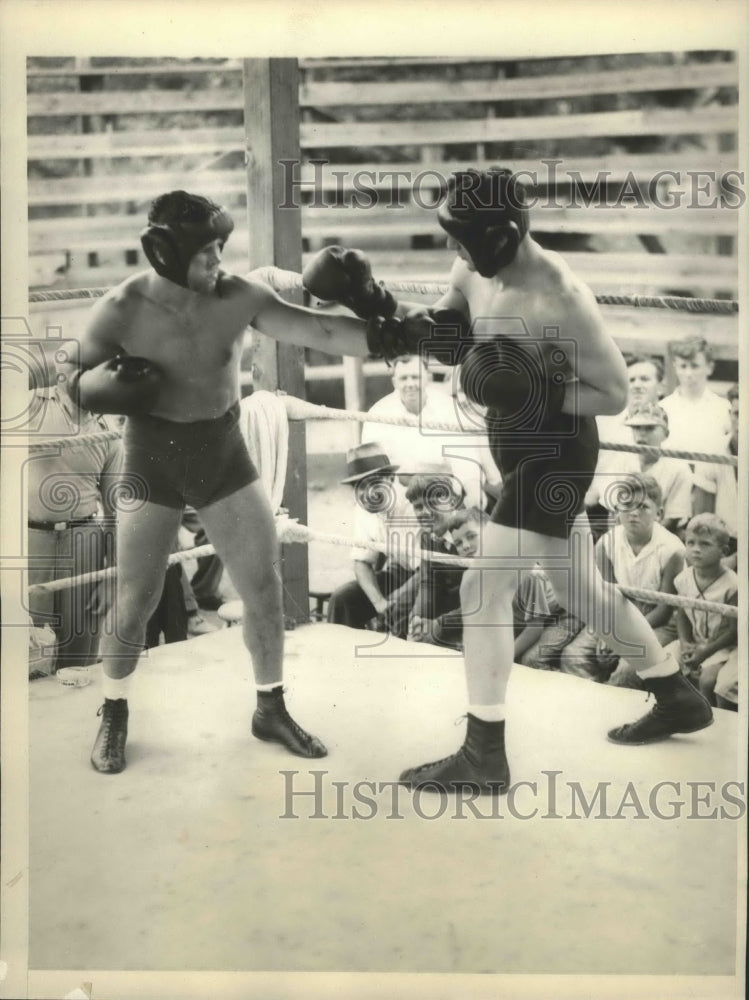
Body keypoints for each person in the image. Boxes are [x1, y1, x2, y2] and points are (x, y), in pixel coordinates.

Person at [303, 167, 713, 794]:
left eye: (465, 240)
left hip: (555, 455)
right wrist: (378, 305)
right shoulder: (473, 269)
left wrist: (530, 388)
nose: (455, 253)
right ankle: (675, 692)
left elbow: (611, 392)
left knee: (478, 592)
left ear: (502, 234)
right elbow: (451, 339)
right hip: (517, 452)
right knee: (581, 590)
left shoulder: (560, 296)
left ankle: (484, 753)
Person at [62, 190, 380, 774]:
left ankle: (270, 707)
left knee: (262, 587)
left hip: (223, 454)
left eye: (219, 247)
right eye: (205, 251)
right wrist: (95, 387)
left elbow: (324, 333)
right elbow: (71, 380)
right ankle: (114, 710)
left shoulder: (237, 296)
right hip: (150, 459)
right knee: (136, 598)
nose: (217, 261)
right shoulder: (121, 307)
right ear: (164, 253)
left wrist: (399, 335)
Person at [27, 372, 121, 676]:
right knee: (28, 653)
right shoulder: (29, 405)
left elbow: (116, 511)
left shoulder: (107, 428)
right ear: (62, 372)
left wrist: (111, 578)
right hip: (30, 540)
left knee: (80, 657)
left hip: (85, 542)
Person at [361, 353, 499, 510]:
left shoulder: (448, 407)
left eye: (415, 377)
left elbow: (464, 456)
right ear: (394, 382)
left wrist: (472, 486)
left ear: (427, 377)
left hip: (444, 493)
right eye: (404, 378)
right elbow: (373, 472)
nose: (410, 384)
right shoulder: (378, 413)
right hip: (398, 497)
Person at [594, 473, 686, 688]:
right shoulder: (607, 542)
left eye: (643, 507)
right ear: (617, 509)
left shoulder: (673, 550)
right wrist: (609, 630)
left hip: (659, 620)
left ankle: (614, 709)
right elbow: (606, 596)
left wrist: (622, 636)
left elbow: (664, 611)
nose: (634, 513)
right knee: (577, 655)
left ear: (659, 513)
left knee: (629, 670)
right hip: (620, 610)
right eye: (627, 505)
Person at [326, 442, 420, 636]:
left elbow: (427, 570)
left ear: (391, 478)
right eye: (359, 486)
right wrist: (379, 602)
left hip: (431, 578)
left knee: (398, 609)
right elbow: (361, 562)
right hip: (399, 574)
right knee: (343, 599)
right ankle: (342, 661)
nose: (366, 493)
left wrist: (394, 601)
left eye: (373, 483)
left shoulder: (412, 504)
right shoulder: (363, 508)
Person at [663, 513, 738, 706]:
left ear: (724, 551)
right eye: (691, 543)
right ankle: (671, 712)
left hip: (720, 647)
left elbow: (733, 632)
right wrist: (685, 642)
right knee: (662, 664)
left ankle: (709, 722)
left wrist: (703, 654)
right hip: (693, 642)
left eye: (705, 544)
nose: (696, 550)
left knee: (708, 681)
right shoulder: (683, 579)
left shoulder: (732, 586)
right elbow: (682, 614)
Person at [589, 403, 693, 536]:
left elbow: (673, 519)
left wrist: (642, 541)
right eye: (637, 428)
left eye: (650, 428)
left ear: (666, 434)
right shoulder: (621, 459)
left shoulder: (679, 468)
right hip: (622, 533)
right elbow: (613, 512)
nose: (642, 434)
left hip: (662, 536)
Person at [659, 336, 731, 456]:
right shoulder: (663, 407)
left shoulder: (723, 408)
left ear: (709, 367)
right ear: (675, 367)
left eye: (695, 366)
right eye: (683, 366)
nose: (688, 373)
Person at [692, 382, 739, 559]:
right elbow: (702, 518)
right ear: (730, 415)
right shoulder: (713, 451)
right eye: (738, 414)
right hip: (723, 545)